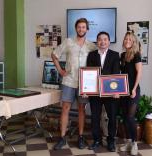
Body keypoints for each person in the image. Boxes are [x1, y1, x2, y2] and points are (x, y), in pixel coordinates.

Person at [51, 18, 96, 150]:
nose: (81, 29)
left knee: (82, 109)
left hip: (85, 84)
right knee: (65, 108)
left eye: (83, 27)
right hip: (69, 81)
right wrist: (60, 70)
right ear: (76, 28)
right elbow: (54, 54)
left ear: (87, 29)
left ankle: (80, 137)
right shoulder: (68, 42)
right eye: (79, 27)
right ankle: (62, 137)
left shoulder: (91, 46)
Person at [86, 31, 120, 152]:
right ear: (97, 42)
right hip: (95, 93)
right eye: (100, 39)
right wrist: (86, 89)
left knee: (112, 117)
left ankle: (111, 141)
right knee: (95, 117)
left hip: (110, 93)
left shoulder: (115, 55)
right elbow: (88, 74)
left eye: (105, 39)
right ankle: (96, 140)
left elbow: (116, 74)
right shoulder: (91, 55)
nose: (102, 41)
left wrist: (117, 91)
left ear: (109, 42)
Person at [119, 32, 142, 155]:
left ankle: (134, 143)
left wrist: (133, 89)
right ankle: (127, 142)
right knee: (124, 117)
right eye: (126, 39)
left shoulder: (136, 55)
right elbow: (120, 75)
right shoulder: (122, 55)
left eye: (130, 39)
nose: (127, 40)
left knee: (130, 117)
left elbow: (139, 73)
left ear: (133, 42)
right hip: (123, 91)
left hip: (133, 90)